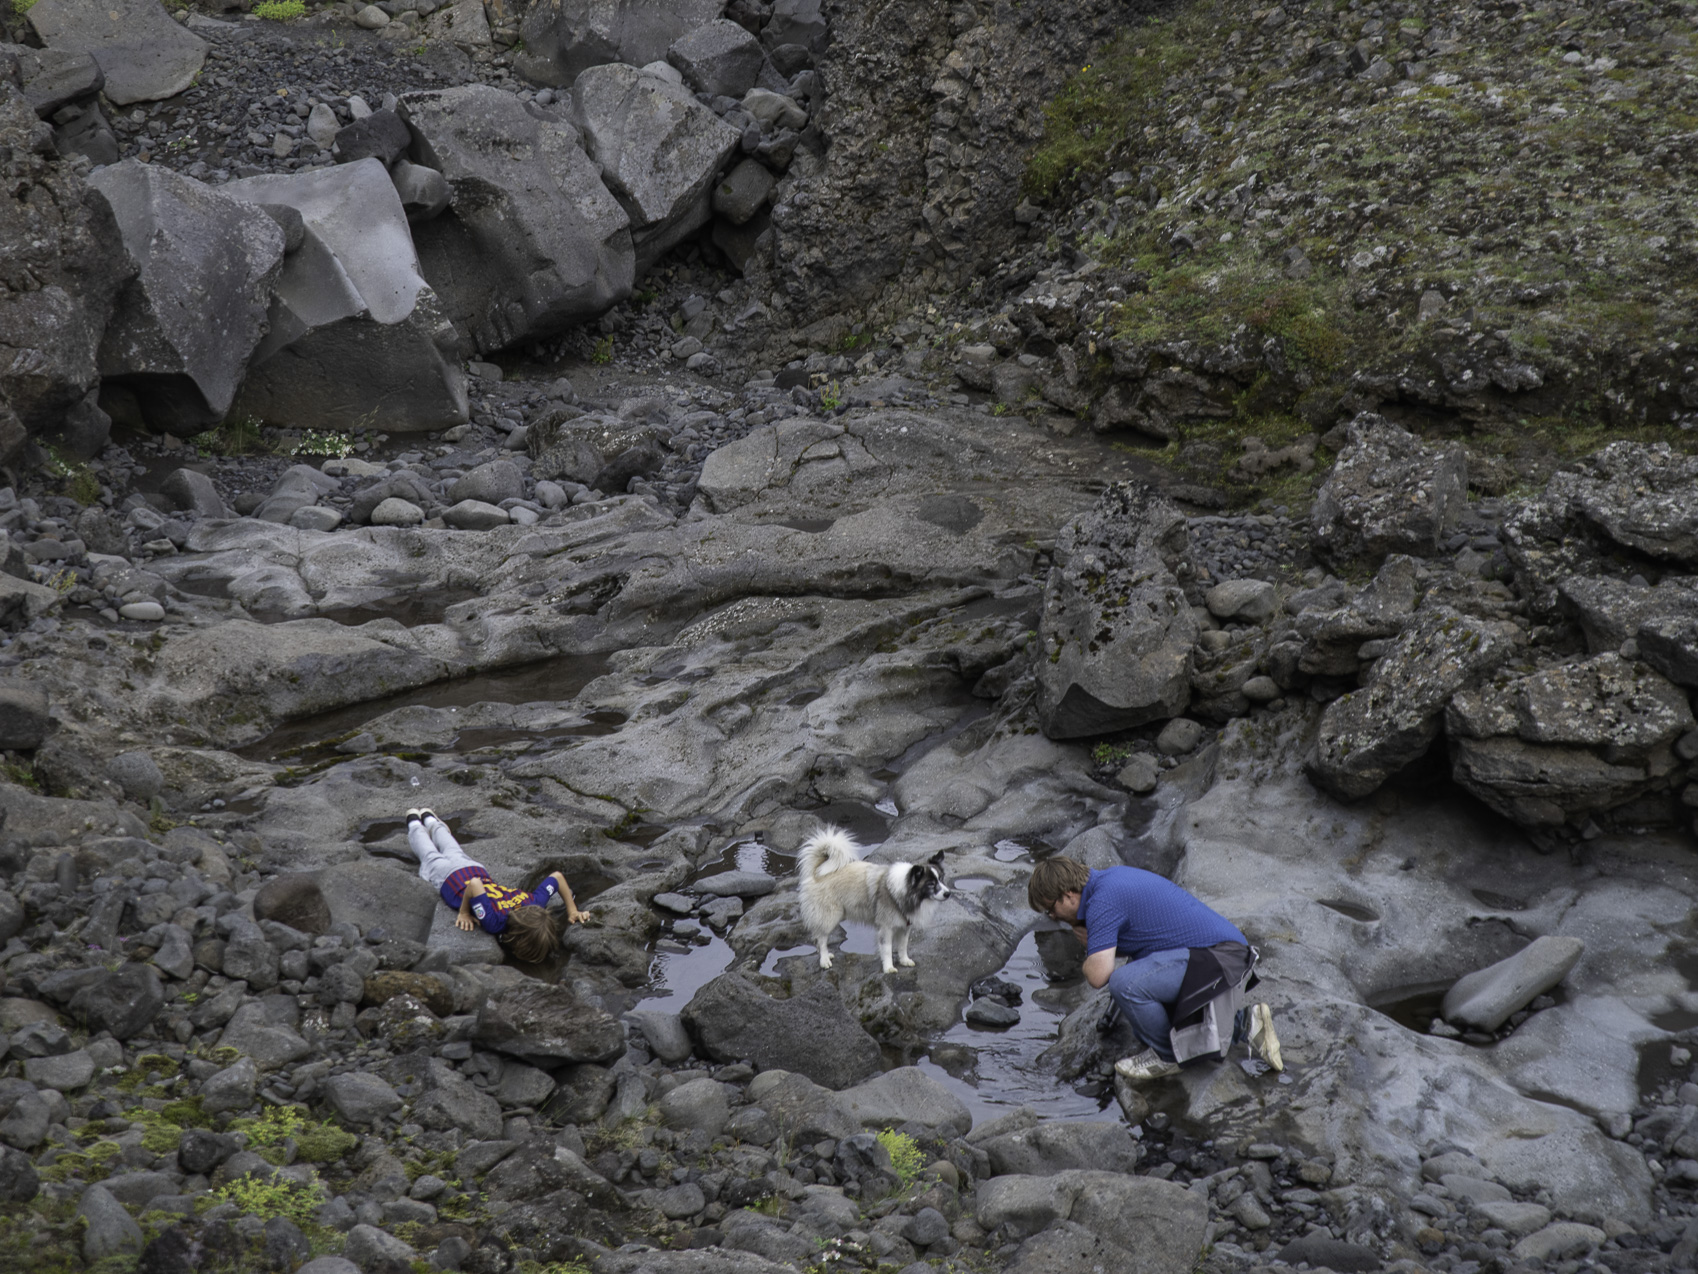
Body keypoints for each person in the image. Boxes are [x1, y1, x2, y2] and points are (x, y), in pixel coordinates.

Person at [1028, 857, 1281, 1081]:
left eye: (1051, 909)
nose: (1053, 917)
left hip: (1222, 959)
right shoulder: (1108, 881)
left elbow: (1098, 976)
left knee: (1124, 984)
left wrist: (1089, 951)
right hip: (1218, 958)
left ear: (1069, 895)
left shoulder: (1102, 901)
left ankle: (1167, 1057)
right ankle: (1248, 1023)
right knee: (1143, 998)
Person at [406, 808, 585, 964]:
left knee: (452, 849)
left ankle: (429, 819)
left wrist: (572, 910)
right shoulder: (494, 922)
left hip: (474, 870)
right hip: (449, 879)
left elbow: (557, 877)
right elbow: (473, 886)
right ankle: (414, 823)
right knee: (429, 855)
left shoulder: (535, 902)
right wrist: (464, 912)